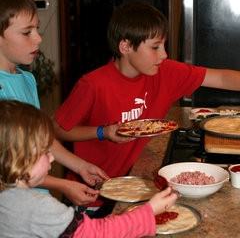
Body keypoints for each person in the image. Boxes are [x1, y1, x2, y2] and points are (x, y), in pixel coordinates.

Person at [54, 1, 240, 195]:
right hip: (91, 192)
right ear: (125, 46)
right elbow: (57, 129)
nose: (164, 54)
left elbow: (220, 77)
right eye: (155, 47)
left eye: (164, 45)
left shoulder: (165, 72)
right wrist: (103, 132)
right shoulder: (93, 84)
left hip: (134, 186)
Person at [0, 100, 178, 238]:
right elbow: (95, 234)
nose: (53, 157)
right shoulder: (35, 207)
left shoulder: (7, 197)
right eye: (44, 152)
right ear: (17, 158)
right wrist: (149, 210)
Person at [0, 0, 109, 206]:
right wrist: (63, 185)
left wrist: (80, 166)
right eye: (26, 32)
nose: (38, 39)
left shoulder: (26, 79)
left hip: (38, 199)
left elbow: (41, 138)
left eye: (37, 29)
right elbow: (6, 170)